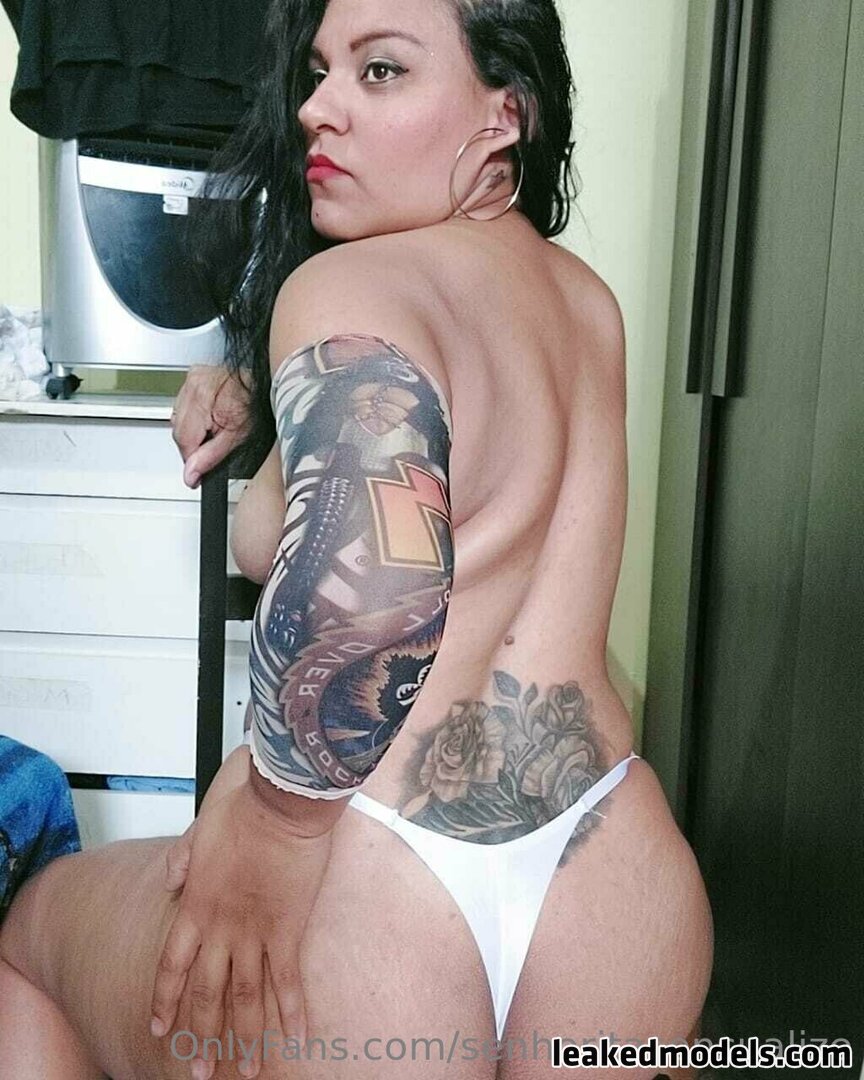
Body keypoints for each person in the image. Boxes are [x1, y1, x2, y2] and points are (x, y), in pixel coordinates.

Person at [0, 0, 714, 1077]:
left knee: (30, 934)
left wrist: (274, 824)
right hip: (609, 864)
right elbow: (468, 449)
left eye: (380, 71)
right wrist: (270, 395)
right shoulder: (585, 304)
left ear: (504, 114)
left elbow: (381, 586)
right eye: (322, 70)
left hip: (380, 867)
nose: (317, 107)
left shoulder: (346, 286)